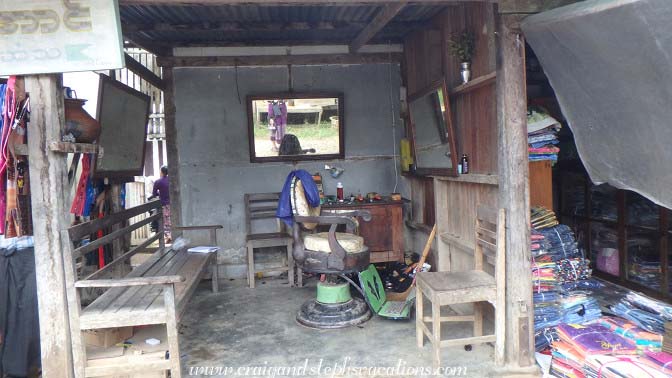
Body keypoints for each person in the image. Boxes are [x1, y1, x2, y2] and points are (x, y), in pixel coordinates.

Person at [150, 166, 171, 243]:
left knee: (165, 220)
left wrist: (160, 193)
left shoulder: (158, 182)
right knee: (170, 219)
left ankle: (168, 236)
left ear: (161, 172)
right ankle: (170, 235)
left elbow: (154, 194)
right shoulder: (171, 180)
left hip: (164, 204)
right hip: (173, 204)